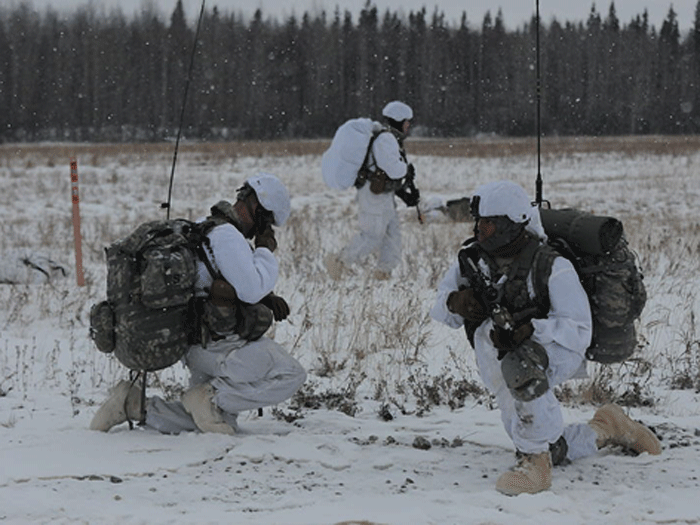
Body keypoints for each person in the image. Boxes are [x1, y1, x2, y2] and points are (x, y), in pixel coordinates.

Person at [430, 180, 661, 496]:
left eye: (489, 223)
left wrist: (532, 331)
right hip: (497, 355)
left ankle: (534, 465)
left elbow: (579, 330)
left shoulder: (550, 264)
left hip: (553, 349)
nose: (480, 230)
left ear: (512, 225)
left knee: (521, 370)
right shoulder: (473, 259)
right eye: (479, 222)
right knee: (540, 436)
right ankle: (607, 428)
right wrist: (456, 302)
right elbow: (442, 309)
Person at [90, 173, 307, 435]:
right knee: (290, 374)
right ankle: (211, 397)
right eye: (268, 222)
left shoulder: (206, 226)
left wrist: (267, 296)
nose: (268, 230)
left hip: (195, 345)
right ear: (259, 209)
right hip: (220, 344)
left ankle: (133, 405)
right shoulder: (227, 235)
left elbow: (219, 274)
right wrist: (264, 250)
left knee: (219, 421)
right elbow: (250, 290)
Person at [325, 100, 420, 281]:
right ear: (399, 120)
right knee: (372, 236)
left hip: (383, 195)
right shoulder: (386, 139)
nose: (409, 126)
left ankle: (383, 273)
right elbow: (393, 169)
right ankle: (339, 262)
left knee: (392, 234)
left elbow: (389, 174)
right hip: (373, 195)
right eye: (407, 122)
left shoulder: (391, 139)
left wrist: (406, 195)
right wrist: (406, 170)